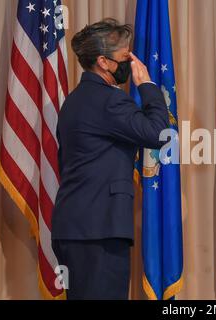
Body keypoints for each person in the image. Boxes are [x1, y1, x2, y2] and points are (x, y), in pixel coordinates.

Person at [51, 19, 170, 300]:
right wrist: (148, 85)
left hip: (74, 228)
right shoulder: (109, 100)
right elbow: (160, 134)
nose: (132, 63)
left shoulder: (75, 99)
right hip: (98, 231)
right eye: (126, 57)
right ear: (104, 62)